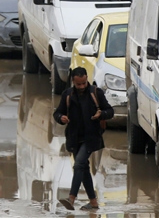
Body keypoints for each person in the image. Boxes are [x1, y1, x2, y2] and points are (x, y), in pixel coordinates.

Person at [53, 66, 114, 211]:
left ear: (87, 79)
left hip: (91, 137)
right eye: (78, 84)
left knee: (79, 164)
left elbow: (110, 111)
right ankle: (93, 203)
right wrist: (61, 118)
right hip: (74, 139)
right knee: (84, 169)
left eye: (84, 83)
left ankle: (71, 198)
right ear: (73, 82)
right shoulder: (67, 95)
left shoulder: (95, 93)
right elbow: (57, 113)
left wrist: (102, 114)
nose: (81, 86)